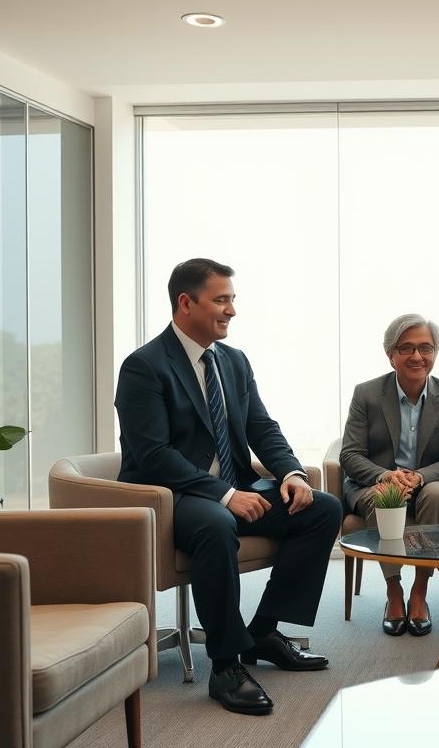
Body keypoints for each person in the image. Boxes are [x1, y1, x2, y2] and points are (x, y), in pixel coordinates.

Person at [115, 258, 342, 715]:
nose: (232, 310)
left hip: (234, 487)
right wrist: (225, 494)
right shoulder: (144, 366)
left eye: (232, 299)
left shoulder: (234, 362)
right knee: (217, 524)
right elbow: (154, 455)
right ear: (186, 303)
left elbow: (262, 426)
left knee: (322, 508)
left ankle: (262, 633)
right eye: (222, 299)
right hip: (172, 497)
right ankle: (225, 664)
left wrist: (292, 474)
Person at [340, 313, 439, 638]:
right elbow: (350, 455)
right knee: (385, 496)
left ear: (435, 353)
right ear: (391, 355)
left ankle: (419, 592)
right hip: (376, 483)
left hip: (427, 484)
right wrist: (386, 476)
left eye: (425, 348)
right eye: (406, 348)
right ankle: (393, 591)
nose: (416, 356)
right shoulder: (367, 394)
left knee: (438, 493)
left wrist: (419, 477)